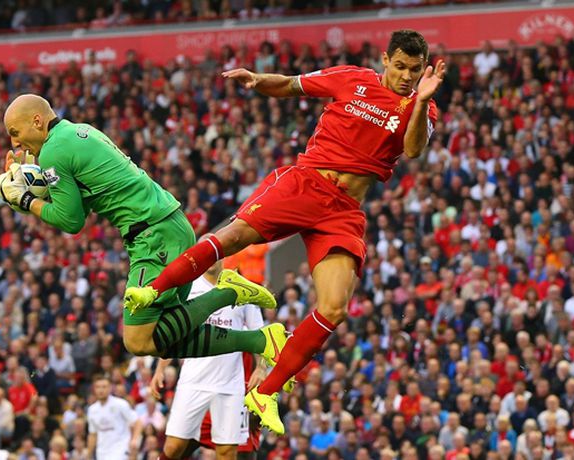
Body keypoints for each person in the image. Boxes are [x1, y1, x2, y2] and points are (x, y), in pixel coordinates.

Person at [125, 29, 444, 434]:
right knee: (234, 237)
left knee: (334, 307)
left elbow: (414, 149)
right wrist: (258, 81)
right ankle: (152, 289)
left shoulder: (421, 107)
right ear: (385, 59)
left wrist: (422, 100)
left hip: (344, 210)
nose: (406, 76)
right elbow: (294, 85)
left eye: (414, 70)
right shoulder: (352, 79)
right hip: (306, 183)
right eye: (400, 66)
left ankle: (266, 391)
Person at [0, 94, 288, 366]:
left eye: (15, 132)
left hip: (153, 235)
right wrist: (35, 190)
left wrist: (23, 198)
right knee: (163, 335)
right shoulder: (74, 132)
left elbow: (70, 221)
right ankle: (261, 340)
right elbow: (78, 207)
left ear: (36, 121)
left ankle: (227, 293)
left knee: (137, 340)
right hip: (170, 225)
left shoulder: (53, 152)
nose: (15, 143)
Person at [150, 240, 271, 460]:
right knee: (174, 447)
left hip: (230, 384)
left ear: (222, 253)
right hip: (193, 380)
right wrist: (159, 369)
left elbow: (261, 335)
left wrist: (261, 369)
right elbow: (174, 334)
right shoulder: (188, 289)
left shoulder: (241, 289)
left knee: (226, 451)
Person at [87, 376, 142, 460]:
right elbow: (93, 434)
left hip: (121, 450)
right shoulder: (92, 410)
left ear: (110, 388)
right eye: (98, 387)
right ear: (94, 389)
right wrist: (89, 454)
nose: (101, 390)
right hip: (102, 452)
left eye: (104, 387)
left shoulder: (120, 404)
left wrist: (134, 440)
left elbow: (138, 422)